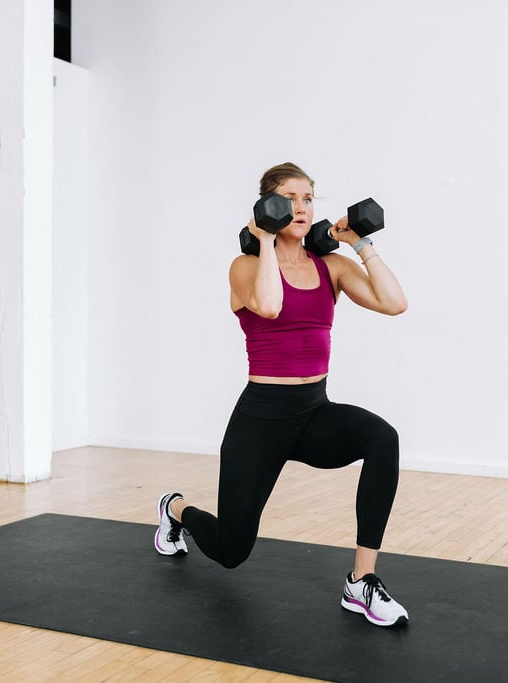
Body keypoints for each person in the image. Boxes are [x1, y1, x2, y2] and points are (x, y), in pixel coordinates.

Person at [155, 162, 410, 627]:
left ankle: (361, 582)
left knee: (382, 438)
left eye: (309, 198)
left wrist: (361, 243)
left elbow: (395, 303)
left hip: (314, 413)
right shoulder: (245, 266)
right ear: (268, 206)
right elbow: (270, 306)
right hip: (260, 421)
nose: (301, 207)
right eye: (289, 199)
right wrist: (267, 239)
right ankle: (175, 509)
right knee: (231, 551)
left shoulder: (332, 266)